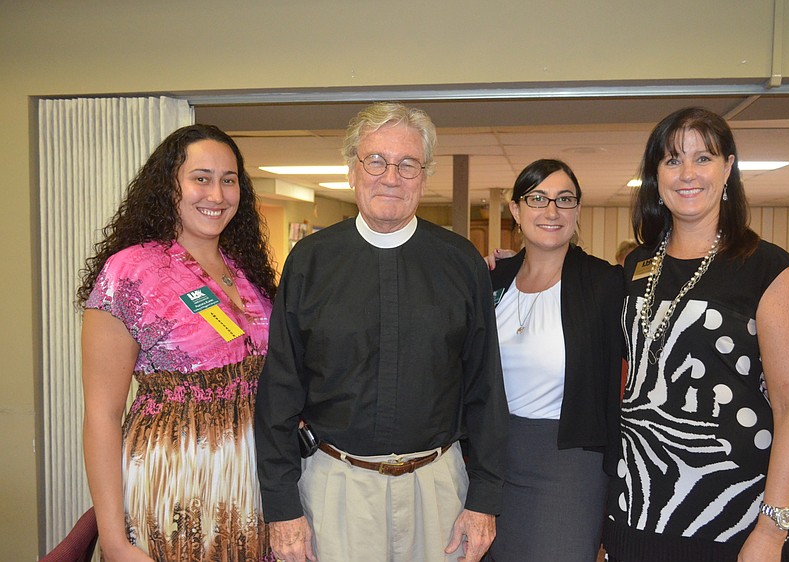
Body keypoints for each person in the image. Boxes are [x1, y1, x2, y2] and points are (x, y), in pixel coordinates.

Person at [255, 101, 508, 562]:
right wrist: (281, 506)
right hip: (334, 489)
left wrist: (485, 499)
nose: (391, 176)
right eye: (376, 160)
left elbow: (485, 389)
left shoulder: (460, 262)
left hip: (438, 493)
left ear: (425, 175)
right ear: (353, 169)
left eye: (407, 164)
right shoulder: (310, 261)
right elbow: (279, 391)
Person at [601, 107, 789, 562]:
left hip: (736, 510)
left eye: (704, 158)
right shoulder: (637, 265)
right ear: (655, 175)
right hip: (642, 502)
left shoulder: (768, 270)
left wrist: (772, 532)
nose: (687, 174)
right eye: (673, 160)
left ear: (728, 168)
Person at [77, 124, 278, 562]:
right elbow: (102, 414)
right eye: (200, 178)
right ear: (168, 185)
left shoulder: (246, 269)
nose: (218, 195)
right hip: (175, 488)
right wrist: (113, 541)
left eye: (229, 180)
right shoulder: (129, 272)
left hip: (255, 491)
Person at [486, 159, 624, 561]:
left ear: (578, 210)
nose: (551, 211)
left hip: (567, 461)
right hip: (490, 456)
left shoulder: (605, 284)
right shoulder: (492, 279)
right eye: (538, 199)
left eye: (564, 199)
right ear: (516, 209)